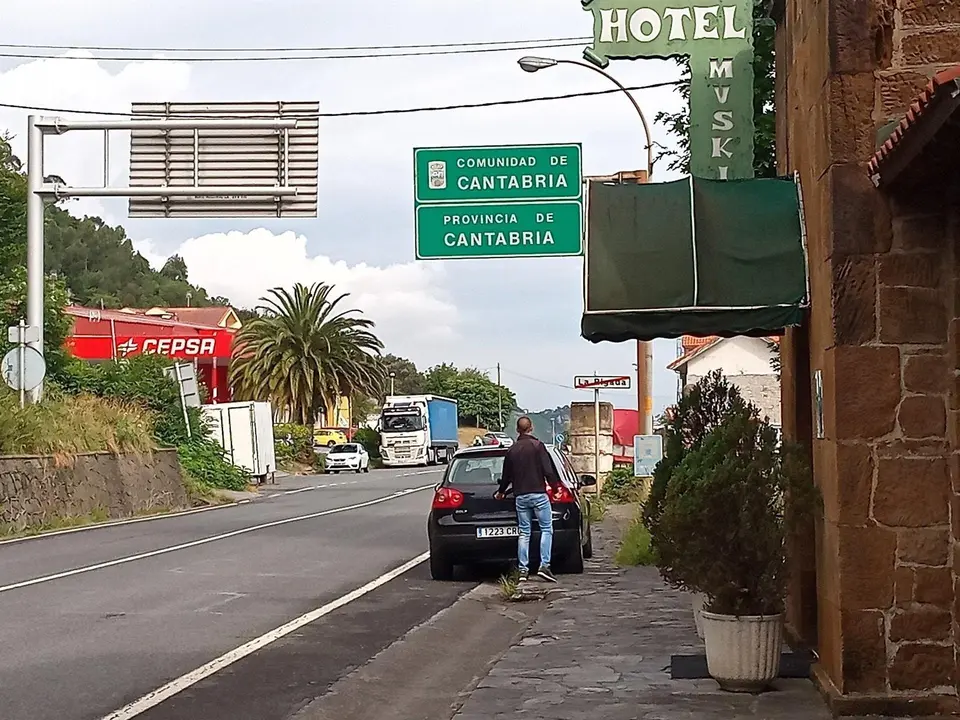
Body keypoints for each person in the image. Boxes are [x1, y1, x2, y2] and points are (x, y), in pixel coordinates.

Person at [494, 416, 563, 583]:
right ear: (531, 428)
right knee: (546, 529)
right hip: (538, 494)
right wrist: (556, 488)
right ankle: (544, 566)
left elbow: (506, 476)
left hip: (520, 497)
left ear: (518, 430)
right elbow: (548, 470)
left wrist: (501, 492)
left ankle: (523, 570)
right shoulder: (538, 446)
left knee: (524, 532)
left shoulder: (512, 450)